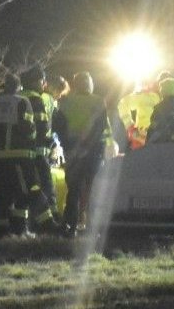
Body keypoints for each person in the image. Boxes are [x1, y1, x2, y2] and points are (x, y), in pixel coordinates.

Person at [53, 72, 116, 231]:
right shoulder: (98, 101)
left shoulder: (66, 101)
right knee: (94, 188)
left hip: (73, 150)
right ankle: (93, 227)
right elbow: (100, 126)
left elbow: (58, 126)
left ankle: (70, 225)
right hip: (94, 150)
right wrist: (89, 146)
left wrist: (68, 146)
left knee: (73, 189)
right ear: (90, 84)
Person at [0, 73, 35, 237]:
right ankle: (20, 230)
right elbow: (28, 128)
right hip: (19, 154)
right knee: (22, 192)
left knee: (3, 194)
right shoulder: (22, 101)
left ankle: (0, 231)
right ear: (18, 86)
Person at [21, 66, 62, 234]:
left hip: (19, 154)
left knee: (23, 191)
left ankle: (29, 225)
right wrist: (52, 143)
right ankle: (50, 224)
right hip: (38, 153)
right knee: (44, 188)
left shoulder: (18, 97)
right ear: (36, 81)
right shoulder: (36, 99)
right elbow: (43, 126)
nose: (44, 84)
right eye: (42, 81)